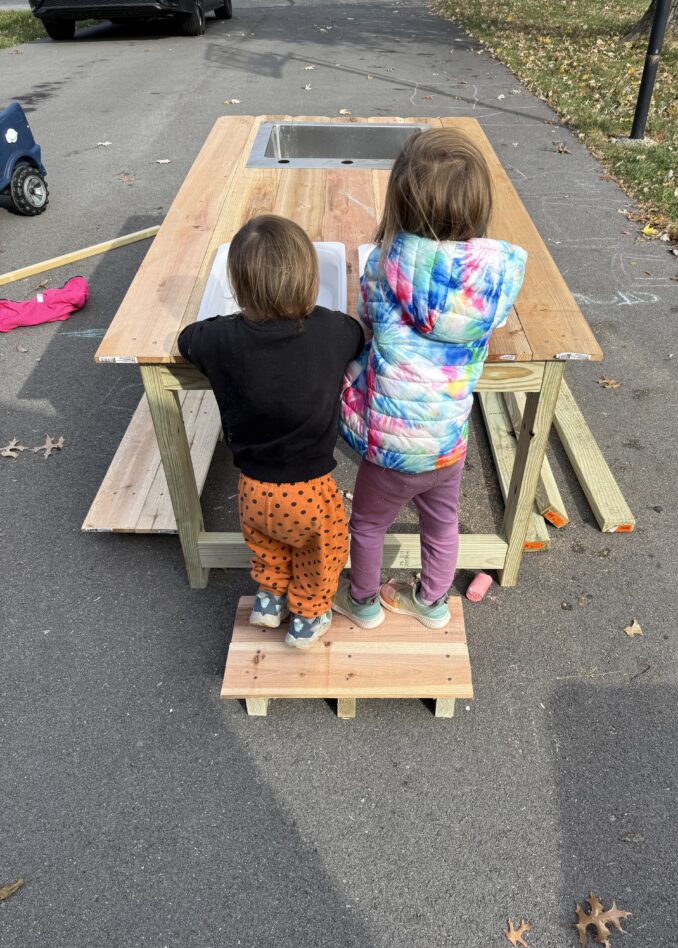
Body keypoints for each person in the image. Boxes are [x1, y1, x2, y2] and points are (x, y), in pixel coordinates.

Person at [332, 127, 527, 630]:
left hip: (392, 449)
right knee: (442, 523)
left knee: (369, 523)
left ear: (399, 201)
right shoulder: (492, 279)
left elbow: (368, 324)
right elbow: (495, 322)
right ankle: (433, 602)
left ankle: (364, 601)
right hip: (447, 443)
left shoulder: (382, 265)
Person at [178, 215, 364, 650]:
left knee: (269, 547)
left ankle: (268, 599)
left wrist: (225, 324)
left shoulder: (221, 338)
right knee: (325, 550)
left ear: (239, 288)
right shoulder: (332, 330)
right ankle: (308, 616)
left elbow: (188, 339)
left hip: (252, 491)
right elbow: (357, 334)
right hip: (310, 491)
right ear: (310, 279)